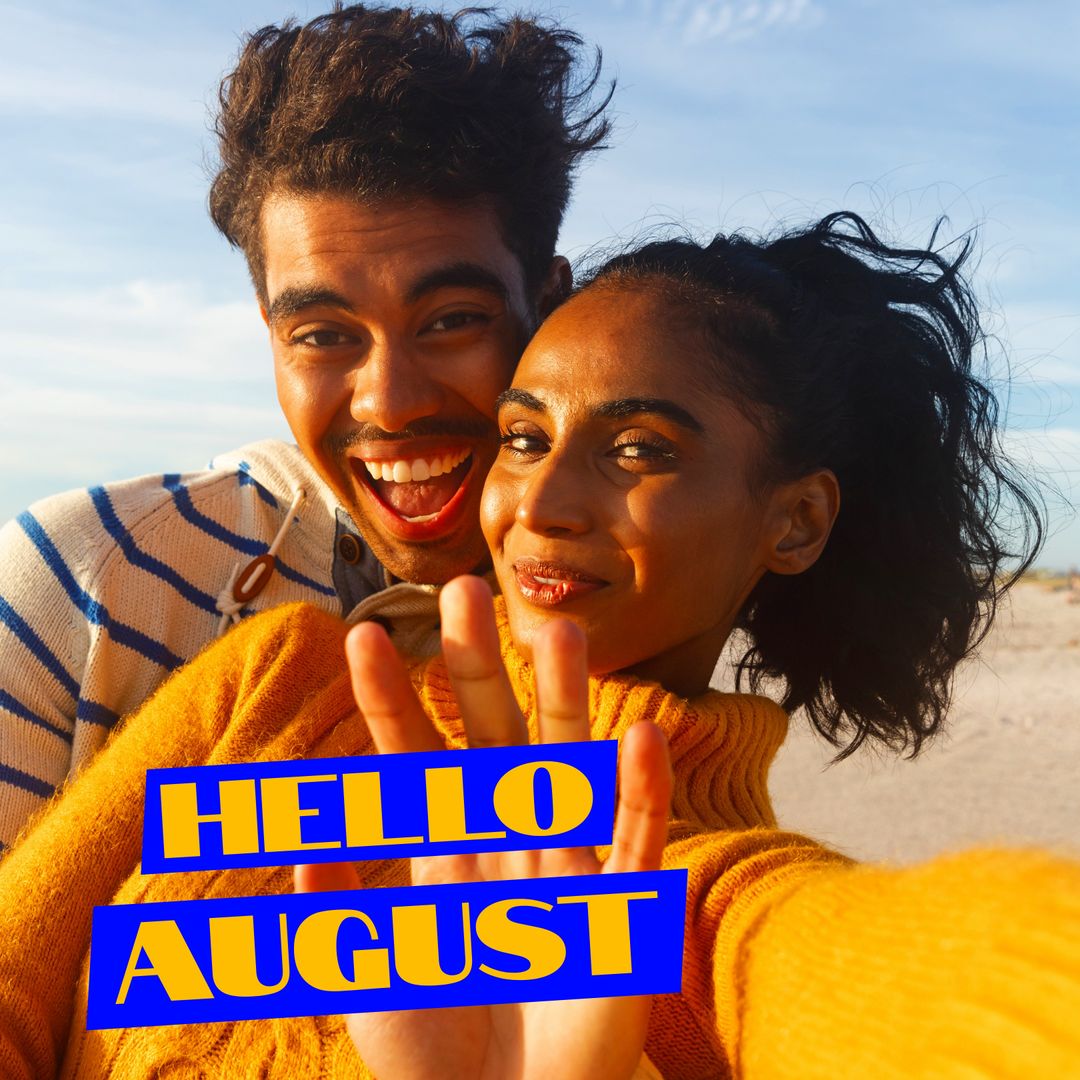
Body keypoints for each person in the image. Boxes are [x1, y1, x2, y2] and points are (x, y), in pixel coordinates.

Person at [2, 214, 1075, 1080]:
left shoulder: (699, 895)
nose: (542, 503)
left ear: (793, 522)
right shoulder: (280, 687)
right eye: (524, 437)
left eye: (640, 450)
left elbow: (938, 986)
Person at [0, 4, 612, 850]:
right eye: (323, 335)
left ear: (545, 306)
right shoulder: (85, 578)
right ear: (270, 334)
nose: (387, 404)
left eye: (451, 320)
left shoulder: (622, 597)